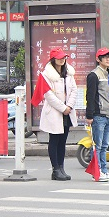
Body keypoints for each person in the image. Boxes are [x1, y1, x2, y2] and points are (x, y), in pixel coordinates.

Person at [35, 48, 78, 181]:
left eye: (63, 57)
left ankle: (61, 168)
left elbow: (74, 90)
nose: (62, 59)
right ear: (53, 59)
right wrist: (63, 107)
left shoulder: (69, 73)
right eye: (59, 57)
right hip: (54, 111)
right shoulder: (47, 75)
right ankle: (55, 169)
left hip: (67, 111)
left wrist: (69, 106)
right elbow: (49, 95)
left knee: (63, 141)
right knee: (54, 140)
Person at [85, 48, 109, 182]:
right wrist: (89, 115)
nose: (108, 59)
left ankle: (104, 170)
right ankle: (97, 172)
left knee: (104, 146)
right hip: (98, 115)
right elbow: (90, 96)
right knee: (97, 146)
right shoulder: (94, 75)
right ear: (98, 59)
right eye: (104, 57)